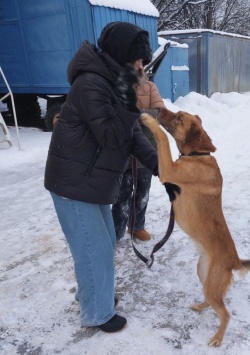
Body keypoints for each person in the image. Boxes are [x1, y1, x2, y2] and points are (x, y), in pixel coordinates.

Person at [44, 21, 159, 333]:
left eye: (143, 62)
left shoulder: (115, 83)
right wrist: (130, 105)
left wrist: (163, 168)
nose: (140, 67)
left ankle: (93, 295)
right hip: (73, 183)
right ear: (122, 56)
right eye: (137, 61)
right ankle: (97, 313)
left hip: (91, 182)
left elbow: (133, 135)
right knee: (93, 250)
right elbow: (110, 135)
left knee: (102, 245)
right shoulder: (92, 83)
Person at [112, 65, 166, 242]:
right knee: (122, 194)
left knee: (143, 192)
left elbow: (159, 113)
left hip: (146, 150)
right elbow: (112, 114)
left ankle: (137, 226)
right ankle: (116, 231)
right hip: (123, 152)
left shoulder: (150, 87)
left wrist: (132, 115)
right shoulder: (116, 87)